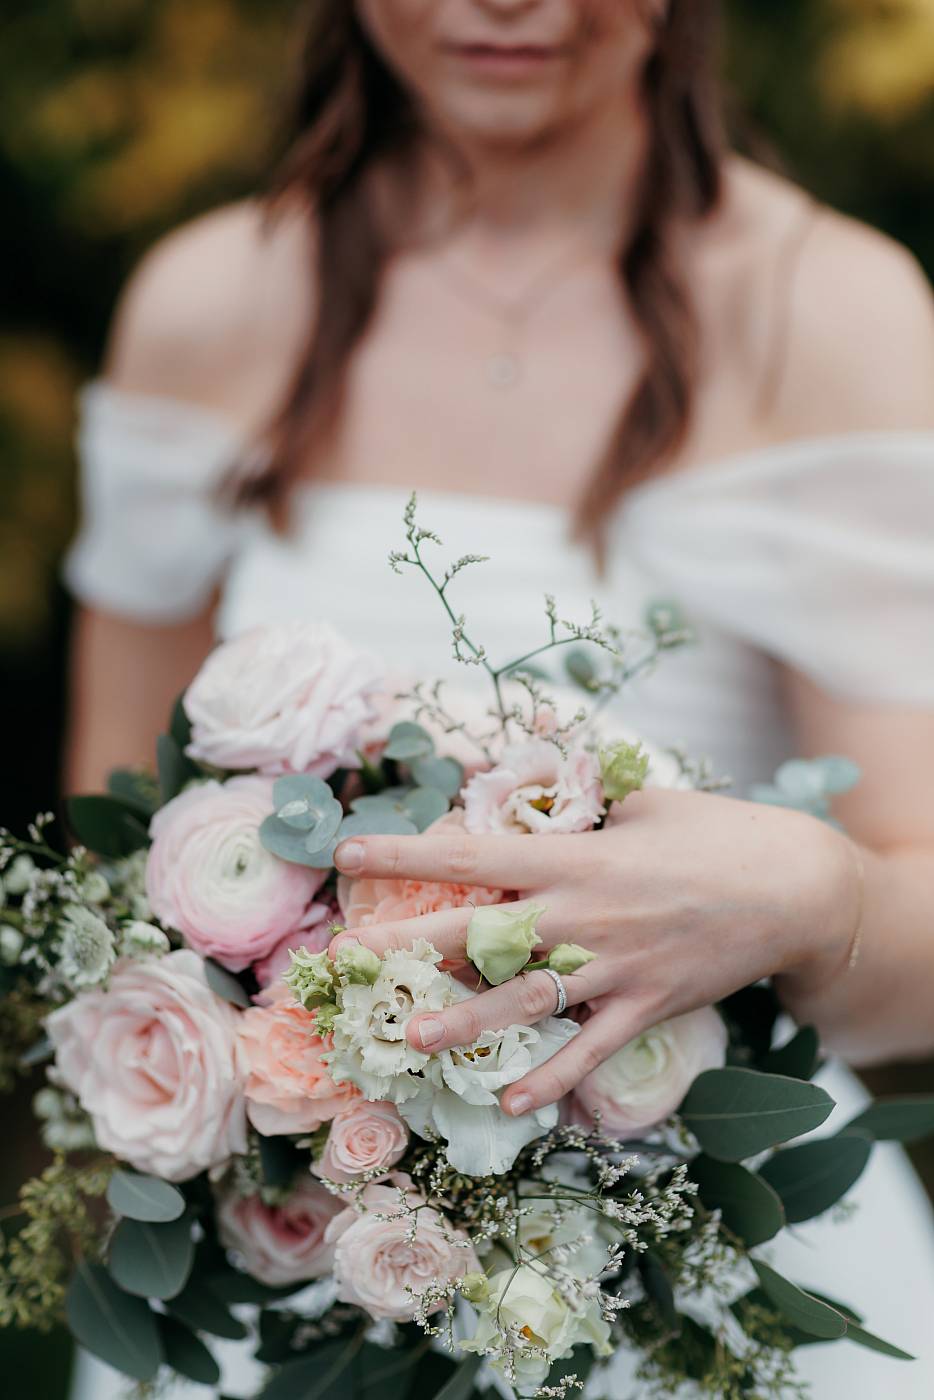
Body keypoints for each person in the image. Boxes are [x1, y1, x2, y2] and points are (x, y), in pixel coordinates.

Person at [63, 2, 934, 1397]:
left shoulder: (830, 309)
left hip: (697, 1290)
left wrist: (808, 896)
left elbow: (919, 948)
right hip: (292, 1279)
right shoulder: (210, 299)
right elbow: (110, 855)